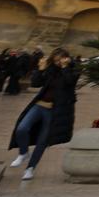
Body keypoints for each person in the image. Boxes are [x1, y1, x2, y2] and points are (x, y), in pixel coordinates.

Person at [9, 48, 79, 181]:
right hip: (39, 105)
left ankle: (30, 168)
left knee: (42, 141)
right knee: (22, 128)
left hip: (55, 111)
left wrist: (65, 67)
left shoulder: (73, 70)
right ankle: (23, 153)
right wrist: (40, 69)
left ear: (67, 58)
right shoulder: (50, 69)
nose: (58, 62)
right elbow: (36, 84)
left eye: (61, 59)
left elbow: (69, 82)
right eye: (56, 60)